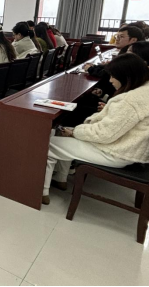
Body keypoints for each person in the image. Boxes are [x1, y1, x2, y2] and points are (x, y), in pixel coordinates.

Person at [43, 54, 149, 206]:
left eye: (113, 76)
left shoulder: (130, 100)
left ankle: (42, 191)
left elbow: (104, 134)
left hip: (116, 152)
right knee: (64, 134)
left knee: (48, 145)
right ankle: (61, 179)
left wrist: (75, 132)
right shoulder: (144, 90)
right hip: (127, 147)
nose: (110, 80)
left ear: (126, 76)